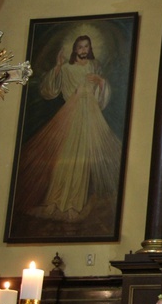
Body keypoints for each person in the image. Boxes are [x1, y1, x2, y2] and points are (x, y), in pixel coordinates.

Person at [15, 35, 122, 222]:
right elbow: (50, 90)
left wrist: (101, 82)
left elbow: (102, 91)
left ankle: (74, 204)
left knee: (82, 161)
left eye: (86, 46)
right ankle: (55, 201)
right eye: (80, 46)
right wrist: (57, 67)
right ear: (74, 49)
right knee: (64, 158)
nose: (83, 50)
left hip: (90, 114)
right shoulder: (66, 68)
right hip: (71, 113)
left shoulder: (94, 66)